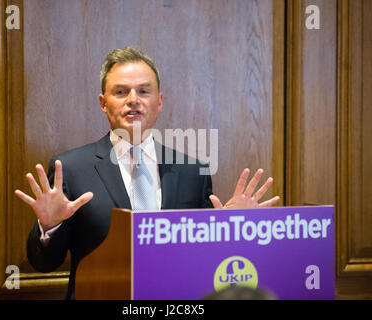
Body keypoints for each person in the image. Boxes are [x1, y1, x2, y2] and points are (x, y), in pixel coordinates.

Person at [14, 46, 280, 299]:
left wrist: (230, 229)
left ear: (159, 101)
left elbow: (206, 260)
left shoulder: (192, 171)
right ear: (103, 103)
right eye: (120, 92)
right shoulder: (71, 169)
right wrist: (50, 226)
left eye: (144, 91)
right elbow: (44, 264)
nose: (133, 100)